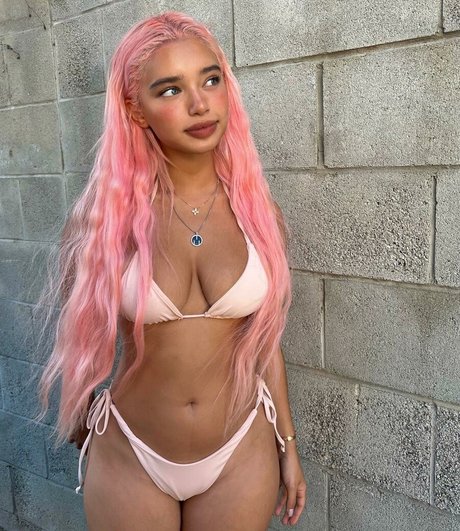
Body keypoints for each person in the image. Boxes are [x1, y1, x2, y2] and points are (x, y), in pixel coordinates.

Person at [37, 11, 307, 530]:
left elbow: (265, 341)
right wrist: (79, 404)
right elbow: (80, 327)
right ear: (135, 109)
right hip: (132, 452)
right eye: (170, 89)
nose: (200, 104)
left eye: (211, 80)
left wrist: (288, 445)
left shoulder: (257, 214)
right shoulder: (105, 220)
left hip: (240, 450)